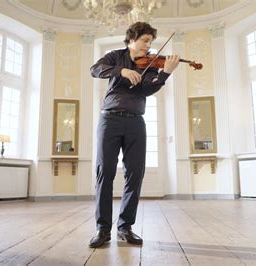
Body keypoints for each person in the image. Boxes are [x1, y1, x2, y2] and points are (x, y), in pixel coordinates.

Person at [89, 22, 179, 248]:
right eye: (145, 41)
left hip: (136, 122)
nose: (148, 46)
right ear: (131, 39)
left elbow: (147, 89)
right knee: (104, 172)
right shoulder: (114, 57)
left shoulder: (150, 64)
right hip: (110, 119)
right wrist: (122, 70)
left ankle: (125, 227)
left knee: (135, 174)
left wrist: (165, 74)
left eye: (150, 42)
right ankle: (102, 229)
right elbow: (95, 69)